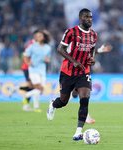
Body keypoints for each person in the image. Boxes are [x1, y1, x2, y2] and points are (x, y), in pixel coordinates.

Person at [47, 8, 97, 141]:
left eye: (91, 17)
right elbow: (60, 49)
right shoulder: (71, 32)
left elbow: (92, 50)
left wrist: (91, 59)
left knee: (85, 98)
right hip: (68, 72)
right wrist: (74, 61)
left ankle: (78, 132)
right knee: (63, 102)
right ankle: (53, 104)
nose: (89, 20)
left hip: (84, 71)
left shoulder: (93, 34)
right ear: (80, 19)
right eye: (86, 17)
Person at [69, 44, 113, 124]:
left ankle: (56, 102)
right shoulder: (75, 43)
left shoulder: (85, 44)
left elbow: (88, 52)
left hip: (83, 72)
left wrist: (100, 50)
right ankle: (86, 116)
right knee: (81, 93)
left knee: (77, 94)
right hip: (74, 71)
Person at [9, 29, 40, 111]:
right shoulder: (31, 45)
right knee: (32, 87)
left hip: (29, 68)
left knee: (31, 87)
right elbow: (27, 56)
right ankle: (25, 104)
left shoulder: (34, 44)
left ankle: (17, 90)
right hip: (27, 68)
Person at [23, 30, 52, 112]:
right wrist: (28, 62)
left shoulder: (48, 48)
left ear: (44, 37)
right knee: (39, 88)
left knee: (40, 90)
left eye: (40, 36)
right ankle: (30, 100)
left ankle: (33, 103)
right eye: (37, 36)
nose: (38, 37)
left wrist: (47, 60)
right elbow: (25, 55)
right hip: (33, 70)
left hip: (42, 70)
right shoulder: (32, 46)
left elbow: (48, 59)